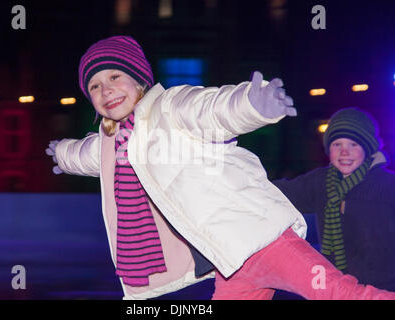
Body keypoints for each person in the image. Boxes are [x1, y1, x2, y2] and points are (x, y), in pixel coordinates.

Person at [46, 35, 395, 300]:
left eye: (114, 77)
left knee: (338, 293)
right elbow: (89, 153)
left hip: (264, 242)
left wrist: (253, 104)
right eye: (95, 86)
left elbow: (212, 108)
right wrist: (63, 153)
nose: (106, 90)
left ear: (139, 80)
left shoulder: (171, 108)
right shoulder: (116, 142)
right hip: (228, 263)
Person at [273, 107, 395, 292]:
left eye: (353, 144)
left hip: (383, 290)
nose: (344, 152)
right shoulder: (320, 182)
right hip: (335, 288)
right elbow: (278, 194)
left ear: (368, 148)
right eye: (337, 144)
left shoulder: (388, 185)